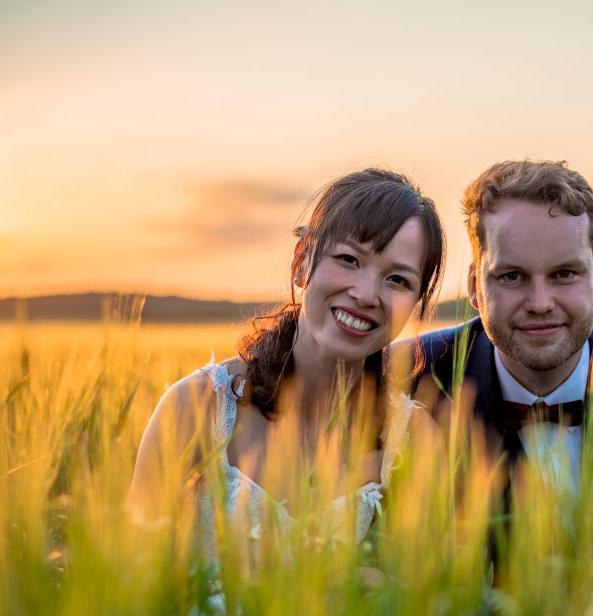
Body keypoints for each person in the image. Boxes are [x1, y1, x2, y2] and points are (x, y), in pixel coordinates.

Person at [130, 168, 446, 551]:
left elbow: (429, 597)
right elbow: (131, 579)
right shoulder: (197, 408)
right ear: (302, 261)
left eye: (397, 280)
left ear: (415, 302)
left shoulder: (414, 440)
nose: (365, 294)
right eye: (348, 259)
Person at [411, 159, 593, 494]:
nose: (540, 303)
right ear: (474, 286)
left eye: (564, 274)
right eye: (512, 276)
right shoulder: (409, 383)